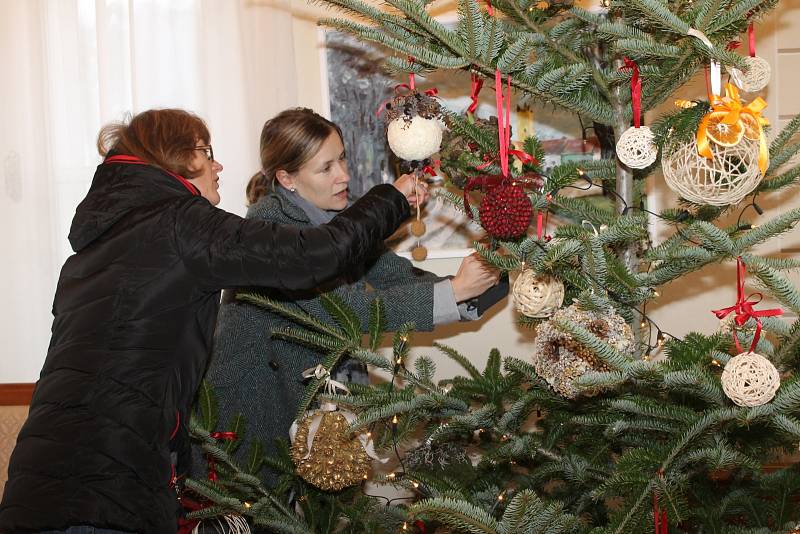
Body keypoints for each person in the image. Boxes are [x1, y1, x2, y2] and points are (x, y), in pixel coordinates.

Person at [0, 108, 427, 534]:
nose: (218, 165)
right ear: (179, 158)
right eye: (207, 152)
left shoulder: (90, 256)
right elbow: (311, 256)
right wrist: (391, 199)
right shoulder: (182, 223)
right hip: (108, 490)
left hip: (37, 489)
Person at [199, 108, 501, 483]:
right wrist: (454, 291)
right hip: (253, 422)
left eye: (342, 158)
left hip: (309, 411)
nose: (344, 175)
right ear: (287, 179)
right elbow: (350, 311)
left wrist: (481, 286)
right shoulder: (273, 232)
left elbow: (394, 275)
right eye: (326, 168)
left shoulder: (334, 223)